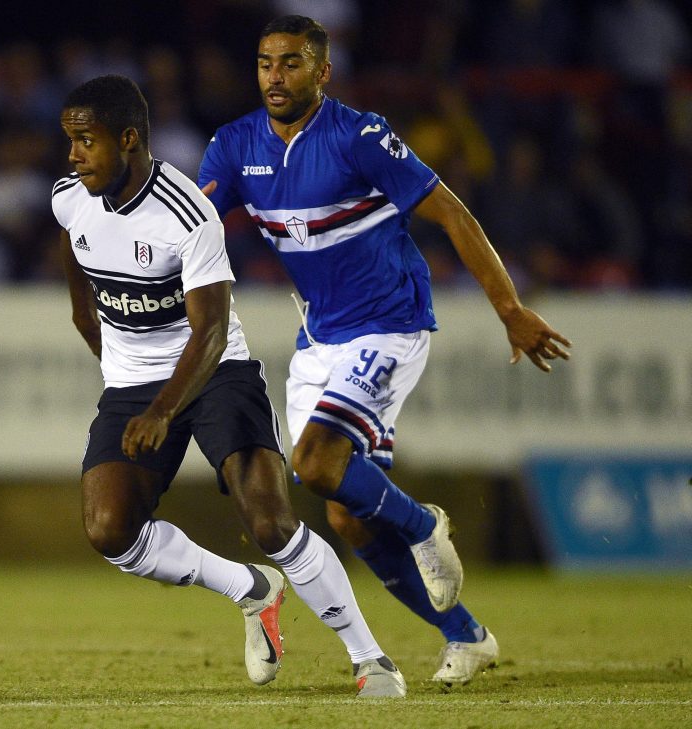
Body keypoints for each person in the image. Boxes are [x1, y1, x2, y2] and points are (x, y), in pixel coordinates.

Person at [198, 15, 572, 685]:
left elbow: (454, 212)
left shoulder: (359, 136)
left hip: (390, 322)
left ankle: (425, 524)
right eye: (264, 63)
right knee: (345, 512)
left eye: (290, 63)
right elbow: (191, 228)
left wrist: (509, 309)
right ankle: (467, 633)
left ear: (322, 71)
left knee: (314, 463)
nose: (274, 76)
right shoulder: (233, 146)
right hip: (318, 337)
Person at [51, 74, 407, 697]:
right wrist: (123, 377)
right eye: (70, 141)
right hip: (138, 387)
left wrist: (163, 410)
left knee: (272, 524)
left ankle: (370, 659)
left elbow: (210, 331)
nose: (74, 155)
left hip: (215, 374)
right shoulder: (70, 199)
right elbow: (83, 302)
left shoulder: (187, 213)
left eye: (86, 141)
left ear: (129, 139)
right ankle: (251, 590)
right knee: (110, 531)